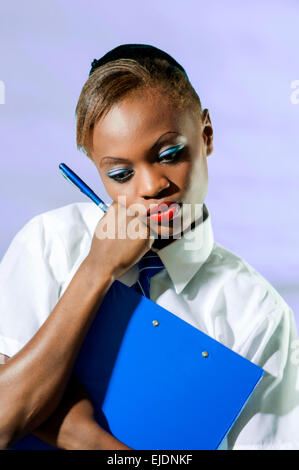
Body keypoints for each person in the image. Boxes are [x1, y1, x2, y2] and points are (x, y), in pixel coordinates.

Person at [0, 43, 298, 450]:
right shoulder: (52, 242)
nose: (152, 186)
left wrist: (84, 438)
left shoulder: (255, 311)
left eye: (169, 154)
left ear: (206, 133)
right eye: (120, 173)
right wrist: (95, 269)